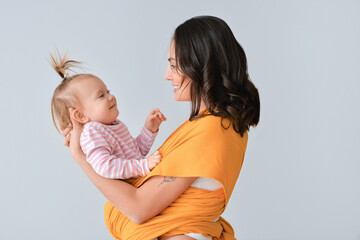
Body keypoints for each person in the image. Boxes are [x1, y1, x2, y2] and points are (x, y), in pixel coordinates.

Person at [62, 15, 260, 239]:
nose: (167, 75)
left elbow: (138, 208)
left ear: (201, 66)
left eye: (174, 65)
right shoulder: (215, 125)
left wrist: (81, 157)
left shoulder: (211, 132)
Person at [50, 53, 166, 179]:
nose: (111, 97)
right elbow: (106, 167)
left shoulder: (114, 125)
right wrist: (143, 165)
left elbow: (136, 153)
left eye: (108, 91)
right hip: (135, 189)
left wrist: (149, 129)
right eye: (101, 96)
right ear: (81, 115)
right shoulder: (92, 132)